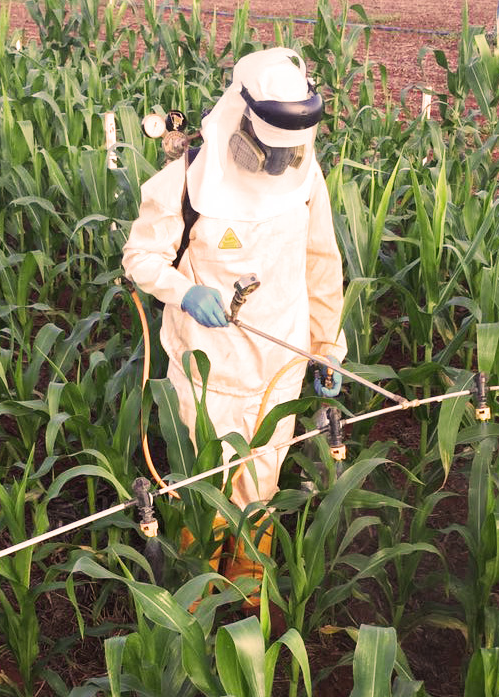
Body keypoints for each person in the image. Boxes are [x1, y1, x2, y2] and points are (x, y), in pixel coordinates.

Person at [122, 47, 346, 598]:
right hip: (208, 375)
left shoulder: (305, 178)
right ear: (240, 120)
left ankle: (246, 605)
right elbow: (139, 257)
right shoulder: (188, 181)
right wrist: (183, 290)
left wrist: (326, 346)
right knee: (206, 492)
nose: (276, 164)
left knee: (262, 490)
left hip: (280, 366)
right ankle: (194, 606)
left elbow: (321, 263)